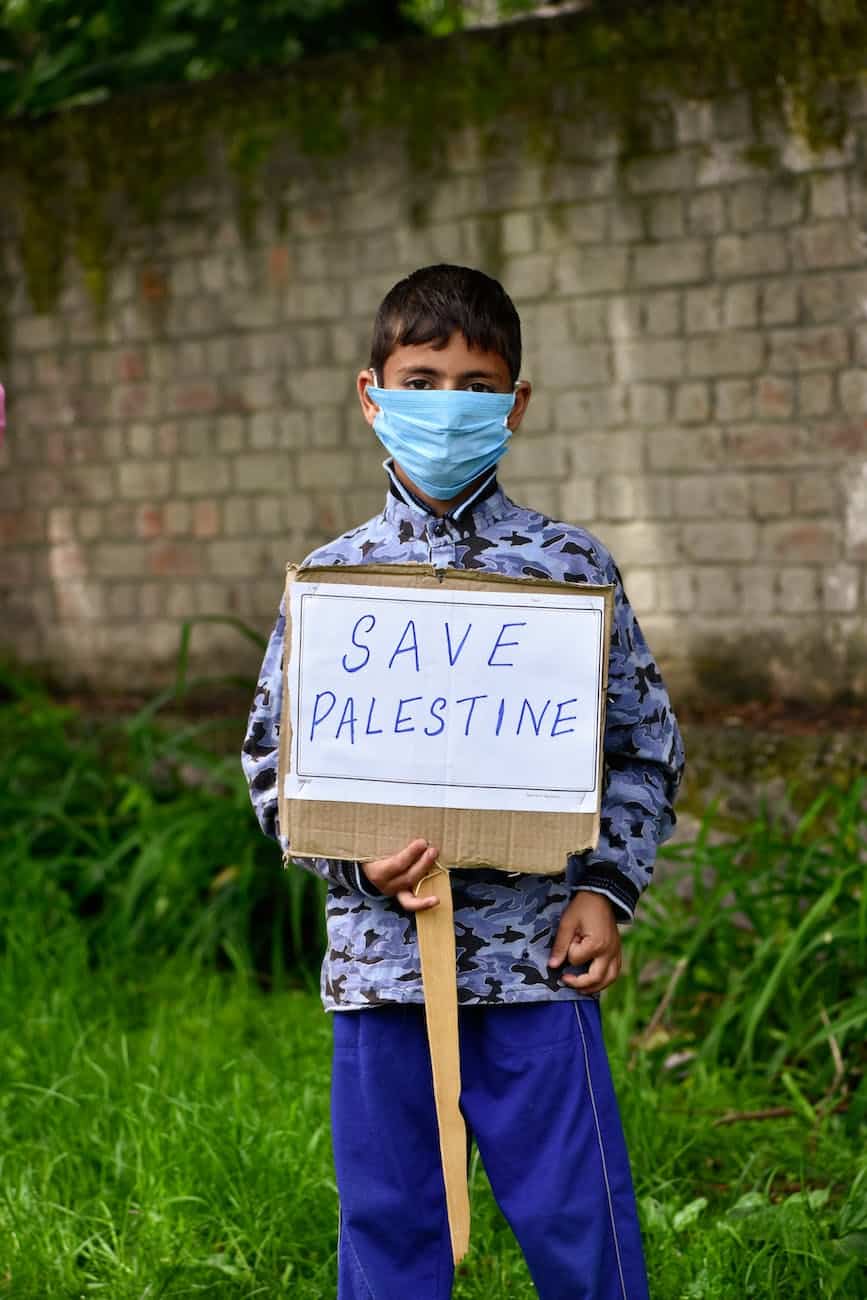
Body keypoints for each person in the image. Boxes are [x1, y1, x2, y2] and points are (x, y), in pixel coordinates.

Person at [242, 264, 684, 1300]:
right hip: (383, 976)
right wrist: (355, 863)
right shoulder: (334, 580)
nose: (450, 405)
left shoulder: (571, 572)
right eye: (422, 379)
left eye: (477, 383)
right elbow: (274, 759)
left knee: (584, 1227)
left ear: (516, 403)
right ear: (373, 393)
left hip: (539, 969)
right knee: (392, 1232)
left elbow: (645, 745)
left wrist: (602, 890)